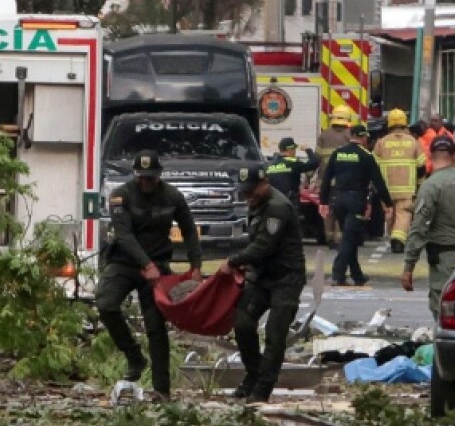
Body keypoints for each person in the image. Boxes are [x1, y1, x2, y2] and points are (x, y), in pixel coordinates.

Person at [98, 150, 202, 399]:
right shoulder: (121, 196)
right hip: (124, 263)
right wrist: (145, 264)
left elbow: (188, 228)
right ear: (135, 176)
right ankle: (134, 357)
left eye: (151, 179)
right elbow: (124, 235)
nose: (146, 183)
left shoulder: (172, 196)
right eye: (142, 178)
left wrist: (195, 266)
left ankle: (162, 389)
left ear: (159, 176)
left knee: (156, 327)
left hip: (158, 266)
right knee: (106, 304)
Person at [219, 165, 306, 406]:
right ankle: (254, 374)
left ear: (265, 183)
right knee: (243, 323)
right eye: (246, 192)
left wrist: (233, 261)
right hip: (260, 276)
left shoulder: (277, 207)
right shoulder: (255, 203)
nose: (249, 196)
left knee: (275, 335)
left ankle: (262, 390)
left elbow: (263, 246)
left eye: (253, 191)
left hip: (285, 279)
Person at [400, 135, 455, 319]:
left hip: (444, 260)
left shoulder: (431, 186)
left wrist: (409, 266)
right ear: (454, 155)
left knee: (444, 308)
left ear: (430, 155)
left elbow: (419, 229)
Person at [320, 115, 394, 286]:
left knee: (349, 237)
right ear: (363, 137)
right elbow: (378, 182)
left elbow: (326, 179)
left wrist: (323, 201)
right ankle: (337, 274)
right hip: (356, 201)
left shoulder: (337, 153)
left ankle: (357, 275)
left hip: (338, 199)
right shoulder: (366, 156)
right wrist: (388, 203)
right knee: (348, 239)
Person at [373, 108, 426, 254]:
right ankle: (398, 240)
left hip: (386, 189)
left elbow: (374, 167)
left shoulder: (381, 143)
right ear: (405, 124)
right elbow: (422, 167)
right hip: (407, 189)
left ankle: (393, 236)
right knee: (403, 214)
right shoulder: (413, 142)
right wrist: (420, 185)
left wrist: (375, 187)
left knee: (389, 214)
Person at [266, 137, 319, 209]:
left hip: (273, 204)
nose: (295, 152)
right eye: (294, 149)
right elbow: (314, 163)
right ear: (290, 150)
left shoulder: (269, 164)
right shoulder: (292, 162)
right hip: (290, 203)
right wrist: (308, 149)